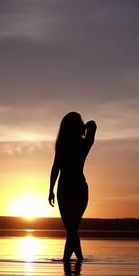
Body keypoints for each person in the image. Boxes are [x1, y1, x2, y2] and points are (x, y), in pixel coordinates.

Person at [48, 112, 97, 261]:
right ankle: (77, 263)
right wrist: (50, 190)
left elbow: (55, 168)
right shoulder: (82, 144)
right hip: (72, 190)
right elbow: (93, 125)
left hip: (71, 189)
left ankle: (69, 264)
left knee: (71, 229)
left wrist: (51, 190)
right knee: (72, 229)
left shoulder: (67, 145)